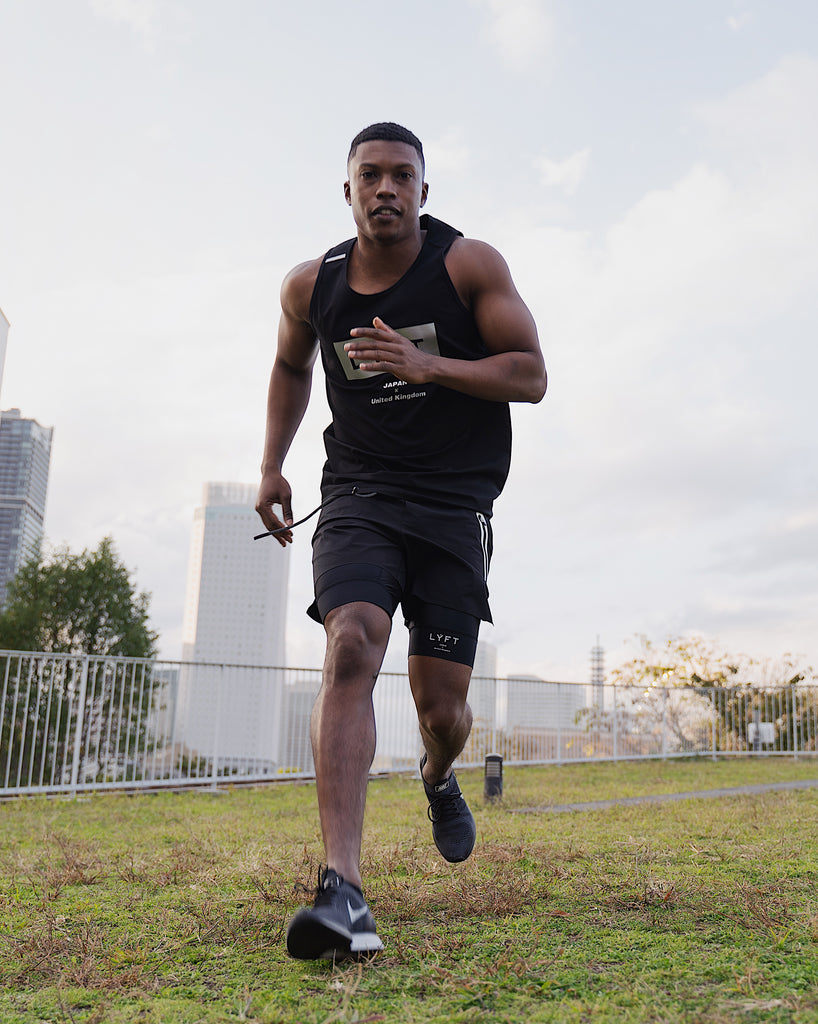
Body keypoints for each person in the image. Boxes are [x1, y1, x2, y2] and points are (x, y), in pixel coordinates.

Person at [255, 122, 546, 961]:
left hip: (455, 505)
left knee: (441, 711)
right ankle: (341, 888)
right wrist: (271, 465)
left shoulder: (467, 266)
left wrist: (432, 368)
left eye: (403, 177)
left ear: (425, 191)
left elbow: (530, 372)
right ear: (347, 192)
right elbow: (289, 367)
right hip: (359, 495)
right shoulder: (313, 287)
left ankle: (437, 774)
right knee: (351, 642)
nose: (386, 189)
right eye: (370, 177)